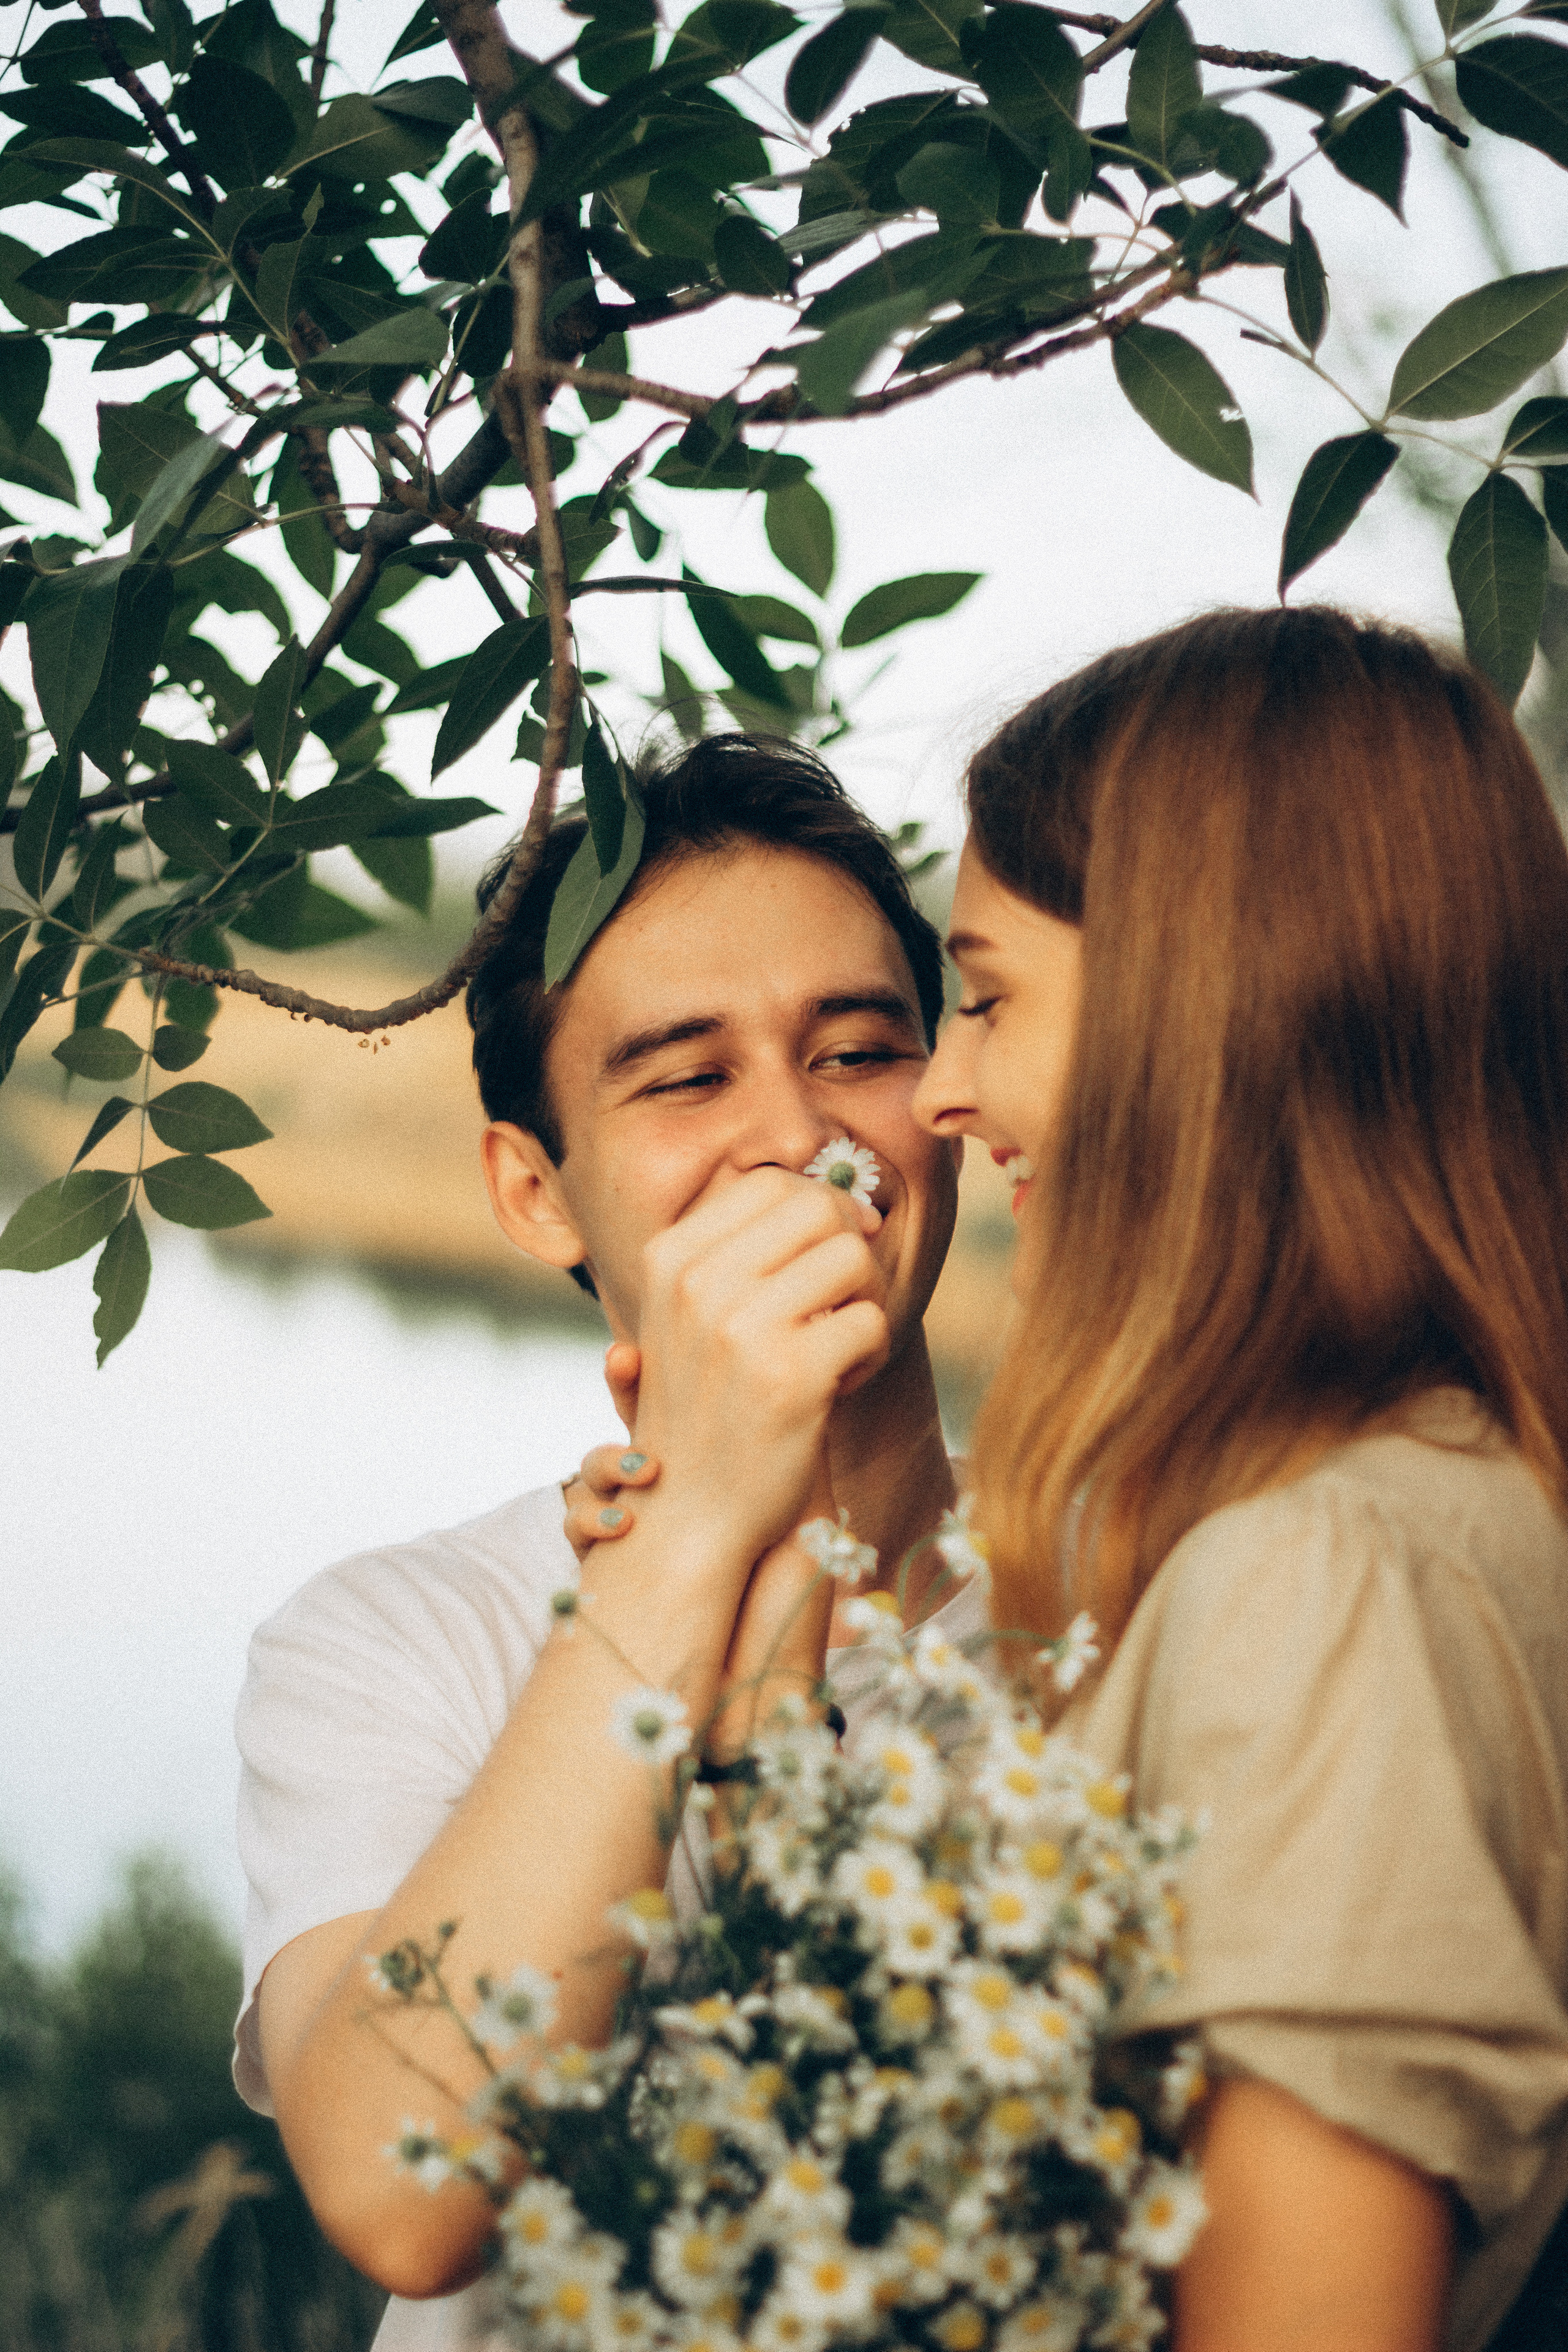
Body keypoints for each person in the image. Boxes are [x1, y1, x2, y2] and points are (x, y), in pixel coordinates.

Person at [232, 736, 977, 2347]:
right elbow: (398, 2186)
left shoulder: (1154, 1587)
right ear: (536, 1194)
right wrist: (701, 1519)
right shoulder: (389, 1642)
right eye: (688, 1077)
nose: (797, 1135)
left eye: (859, 1049)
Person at [902, 606, 1568, 2352]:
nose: (941, 1090)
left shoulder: (1324, 1577)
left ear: (1198, 1004)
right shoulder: (1467, 1492)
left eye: (983, 998)